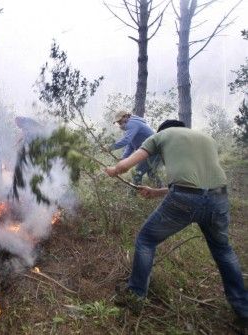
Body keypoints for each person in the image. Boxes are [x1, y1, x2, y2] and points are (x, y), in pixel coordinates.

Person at [105, 119, 248, 331]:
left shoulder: (160, 136)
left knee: (146, 240)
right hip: (218, 200)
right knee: (223, 250)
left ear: (164, 130)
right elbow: (200, 184)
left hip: (184, 199)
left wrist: (113, 169)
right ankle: (244, 311)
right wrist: (156, 192)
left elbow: (125, 165)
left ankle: (135, 295)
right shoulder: (206, 138)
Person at [111, 110, 161, 186]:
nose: (119, 124)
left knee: (137, 172)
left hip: (153, 151)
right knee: (151, 174)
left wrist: (110, 147)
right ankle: (162, 192)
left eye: (120, 121)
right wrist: (124, 159)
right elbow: (130, 145)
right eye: (118, 123)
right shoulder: (131, 126)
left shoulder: (132, 124)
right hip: (153, 151)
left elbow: (126, 140)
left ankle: (136, 192)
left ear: (126, 116)